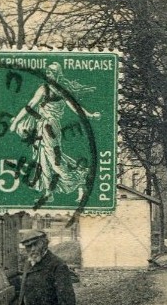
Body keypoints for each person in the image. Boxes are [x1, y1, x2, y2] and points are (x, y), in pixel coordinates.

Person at [9, 62, 100, 203]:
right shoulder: (42, 89)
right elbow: (30, 106)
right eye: (48, 71)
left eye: (52, 72)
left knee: (54, 161)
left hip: (51, 127)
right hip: (41, 125)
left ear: (58, 74)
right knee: (42, 159)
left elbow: (75, 108)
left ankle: (81, 182)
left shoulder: (61, 91)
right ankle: (48, 192)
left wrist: (90, 115)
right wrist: (15, 123)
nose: (48, 73)